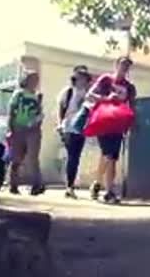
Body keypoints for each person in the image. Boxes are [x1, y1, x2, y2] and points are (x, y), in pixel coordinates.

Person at [87, 56, 136, 204]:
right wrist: (107, 99)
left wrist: (131, 123)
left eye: (127, 66)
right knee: (110, 156)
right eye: (122, 65)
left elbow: (132, 106)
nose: (124, 68)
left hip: (118, 123)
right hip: (103, 120)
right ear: (116, 65)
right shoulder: (106, 80)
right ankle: (109, 191)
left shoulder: (129, 87)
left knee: (108, 155)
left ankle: (97, 183)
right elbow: (90, 95)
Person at [56, 65, 92, 199]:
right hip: (68, 127)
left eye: (84, 78)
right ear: (75, 79)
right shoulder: (68, 92)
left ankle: (70, 185)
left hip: (82, 129)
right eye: (79, 78)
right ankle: (69, 186)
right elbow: (61, 109)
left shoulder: (88, 94)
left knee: (76, 157)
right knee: (73, 156)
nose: (82, 80)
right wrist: (60, 124)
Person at [7, 70, 45, 195]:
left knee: (33, 157)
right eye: (32, 79)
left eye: (36, 79)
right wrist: (10, 129)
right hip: (18, 127)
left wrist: (37, 121)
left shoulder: (38, 95)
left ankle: (36, 185)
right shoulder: (19, 94)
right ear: (27, 80)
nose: (35, 82)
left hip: (33, 130)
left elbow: (40, 112)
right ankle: (13, 184)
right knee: (16, 158)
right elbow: (12, 111)